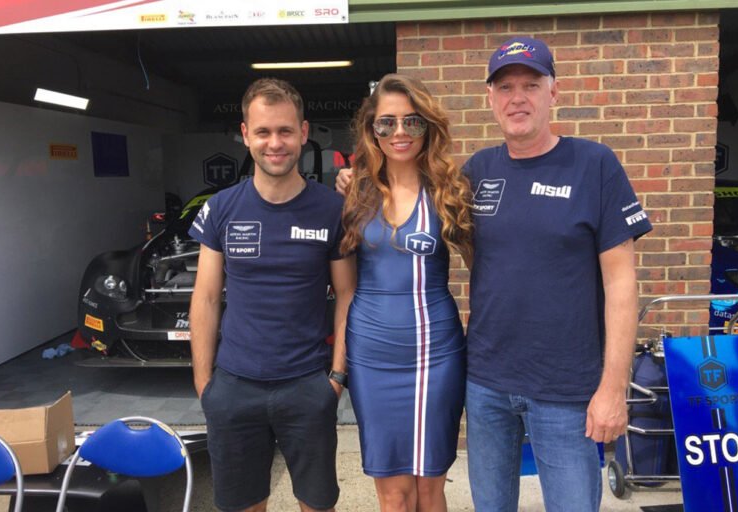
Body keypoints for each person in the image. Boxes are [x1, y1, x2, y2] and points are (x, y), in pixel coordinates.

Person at [337, 38, 653, 511]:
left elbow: (621, 285)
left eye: (531, 84)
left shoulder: (594, 164)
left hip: (566, 390)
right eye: (505, 87)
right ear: (491, 97)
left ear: (554, 92)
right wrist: (354, 180)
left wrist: (613, 387)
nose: (517, 97)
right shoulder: (475, 174)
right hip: (486, 385)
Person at [189, 77, 356, 512]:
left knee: (317, 504)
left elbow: (347, 294)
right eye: (263, 132)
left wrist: (336, 379)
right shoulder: (221, 207)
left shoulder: (330, 209)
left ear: (303, 133)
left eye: (285, 131)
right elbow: (205, 298)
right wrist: (205, 384)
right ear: (245, 135)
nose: (274, 143)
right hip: (234, 387)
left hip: (306, 385)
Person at [339, 73, 473, 512]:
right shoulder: (352, 192)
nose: (399, 133)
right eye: (387, 123)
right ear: (371, 129)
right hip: (372, 356)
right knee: (393, 494)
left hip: (436, 354)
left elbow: (488, 268)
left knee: (430, 488)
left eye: (412, 122)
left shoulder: (448, 191)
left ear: (427, 127)